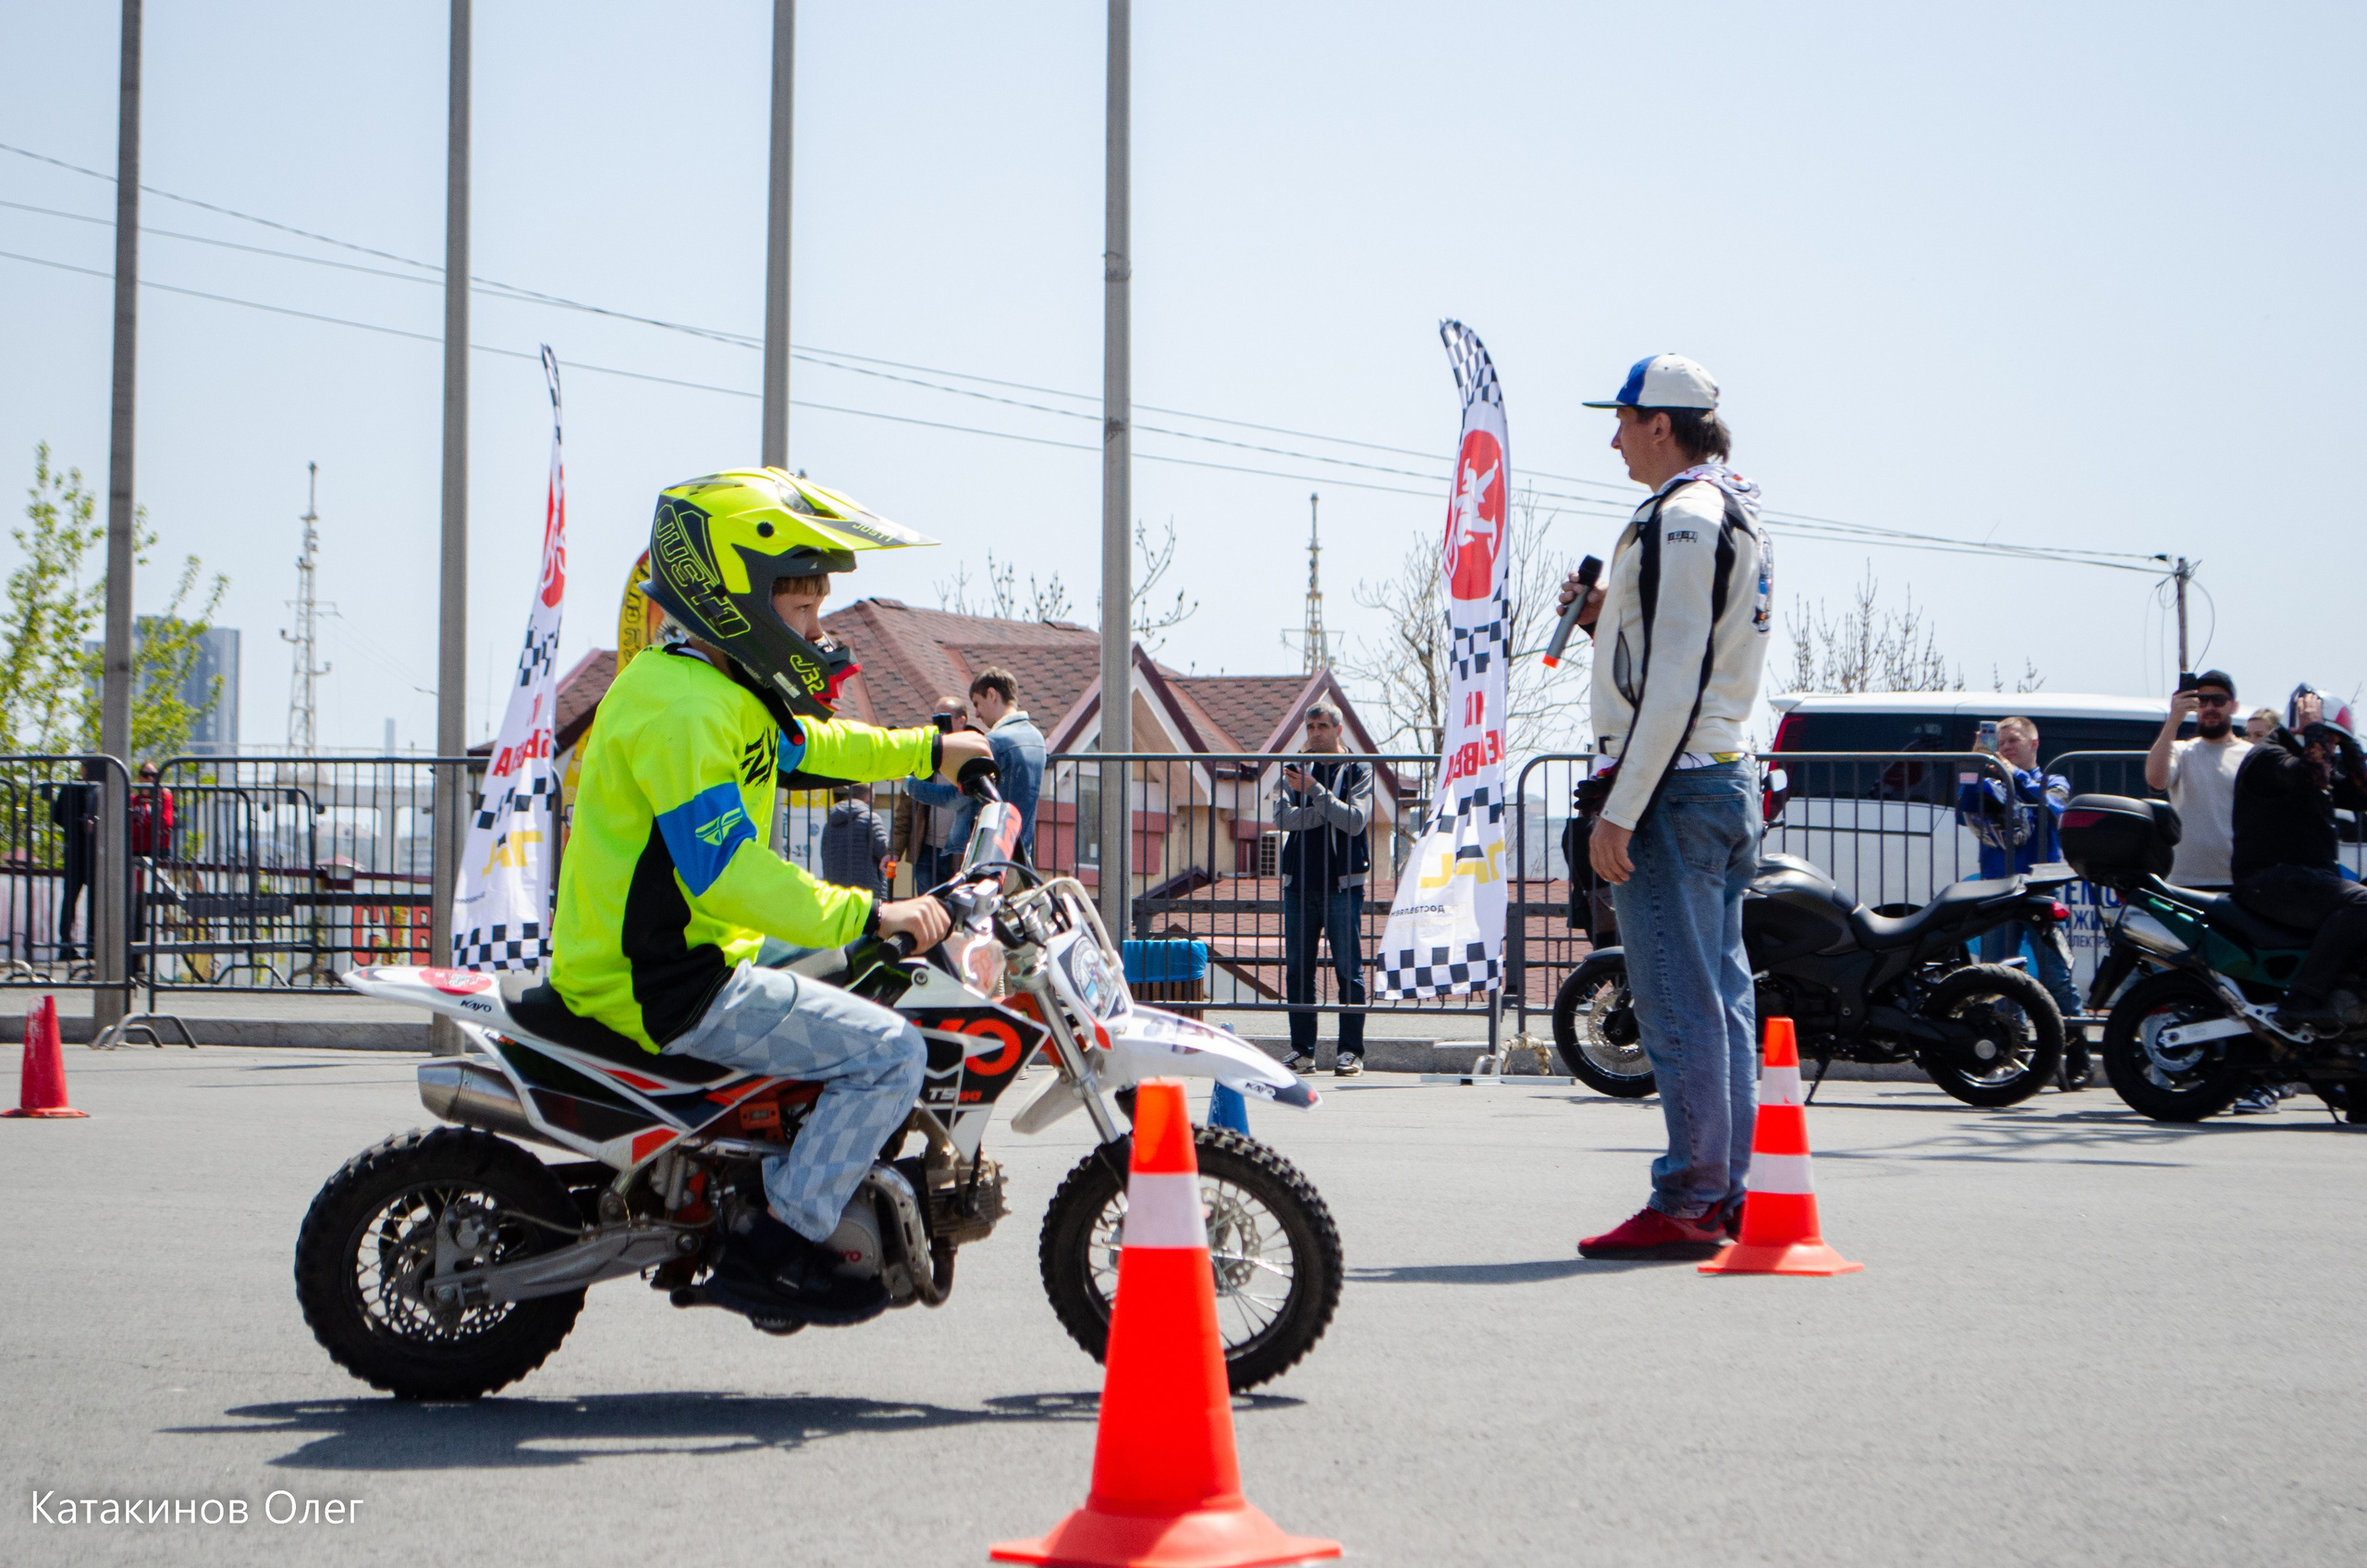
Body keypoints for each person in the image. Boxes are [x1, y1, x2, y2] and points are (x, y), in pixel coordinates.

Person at [546, 468, 991, 1326]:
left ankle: (782, 1176)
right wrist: (871, 912)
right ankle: (780, 1241)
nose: (818, 629)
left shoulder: (714, 685)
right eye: (802, 611)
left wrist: (926, 752)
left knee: (875, 984)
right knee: (891, 1053)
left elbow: (813, 748)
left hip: (701, 954)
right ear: (736, 598)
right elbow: (730, 874)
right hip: (667, 980)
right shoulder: (683, 711)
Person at [1557, 353, 1773, 1260]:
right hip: (1716, 776)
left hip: (1676, 787)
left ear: (1660, 423)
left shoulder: (1681, 519)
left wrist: (1621, 806)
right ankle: (1722, 1191)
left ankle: (1690, 1196)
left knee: (1678, 1000)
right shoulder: (1727, 509)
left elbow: (1676, 674)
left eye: (1622, 418)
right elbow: (1678, 647)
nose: (1611, 436)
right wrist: (1606, 616)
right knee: (1717, 997)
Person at [1955, 717, 2089, 1086]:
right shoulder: (1993, 778)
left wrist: (2017, 775)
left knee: (2055, 977)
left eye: (2013, 740)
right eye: (2001, 741)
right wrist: (1973, 766)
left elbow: (2055, 809)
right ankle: (2007, 1053)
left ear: (2034, 743)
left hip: (2041, 889)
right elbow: (1964, 805)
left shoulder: (2054, 779)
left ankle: (2076, 1053)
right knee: (1999, 974)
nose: (2007, 746)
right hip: (1998, 889)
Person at [2230, 692, 2367, 1035]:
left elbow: (2362, 794)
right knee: (2360, 902)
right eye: (2328, 738)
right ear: (2301, 727)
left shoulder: (2316, 760)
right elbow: (2313, 776)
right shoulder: (2270, 757)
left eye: (2336, 740)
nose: (2330, 745)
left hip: (2307, 881)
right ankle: (2302, 1000)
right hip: (2269, 880)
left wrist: (2350, 744)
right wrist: (2316, 729)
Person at [1271, 702, 1372, 1077]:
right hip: (1299, 883)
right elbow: (1282, 818)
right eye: (1309, 726)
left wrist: (1314, 792)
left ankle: (1351, 1051)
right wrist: (1327, 808)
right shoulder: (1295, 768)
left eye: (1321, 726)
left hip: (1342, 886)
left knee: (1349, 970)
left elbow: (1356, 821)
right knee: (1298, 970)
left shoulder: (1358, 768)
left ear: (1338, 728)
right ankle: (1303, 1051)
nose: (1314, 733)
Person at [2144, 671, 2250, 890]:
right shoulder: (2181, 751)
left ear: (2234, 706)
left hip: (2238, 879)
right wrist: (2173, 720)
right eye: (2203, 701)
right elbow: (2156, 781)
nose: (2210, 707)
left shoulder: (2251, 755)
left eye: (2218, 701)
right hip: (2184, 879)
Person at [967, 668, 1045, 862]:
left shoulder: (995, 741)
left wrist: (911, 784)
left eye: (977, 703)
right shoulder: (1037, 738)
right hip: (1022, 853)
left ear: (992, 695)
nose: (976, 714)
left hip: (992, 853)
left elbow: (958, 799)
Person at [894, 695, 973, 888]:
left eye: (943, 717)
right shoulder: (926, 755)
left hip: (960, 853)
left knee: (958, 910)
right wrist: (894, 850)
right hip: (926, 851)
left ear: (961, 721)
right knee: (928, 909)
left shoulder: (975, 755)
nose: (937, 724)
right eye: (934, 718)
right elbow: (905, 811)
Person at [49, 760, 104, 963]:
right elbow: (59, 817)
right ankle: (73, 946)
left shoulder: (79, 789)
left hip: (89, 852)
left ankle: (85, 945)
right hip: (84, 851)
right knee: (76, 900)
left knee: (85, 901)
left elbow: (58, 817)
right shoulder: (83, 790)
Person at [129, 760, 176, 965]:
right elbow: (132, 829)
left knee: (158, 906)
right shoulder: (132, 799)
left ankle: (153, 960)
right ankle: (136, 959)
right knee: (137, 906)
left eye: (153, 775)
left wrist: (143, 821)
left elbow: (165, 823)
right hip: (137, 855)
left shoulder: (164, 796)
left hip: (158, 855)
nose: (149, 779)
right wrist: (147, 823)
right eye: (145, 774)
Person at [820, 783, 889, 899]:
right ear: (868, 799)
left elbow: (824, 853)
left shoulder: (830, 822)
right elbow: (884, 851)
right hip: (866, 890)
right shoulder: (871, 818)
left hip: (837, 890)